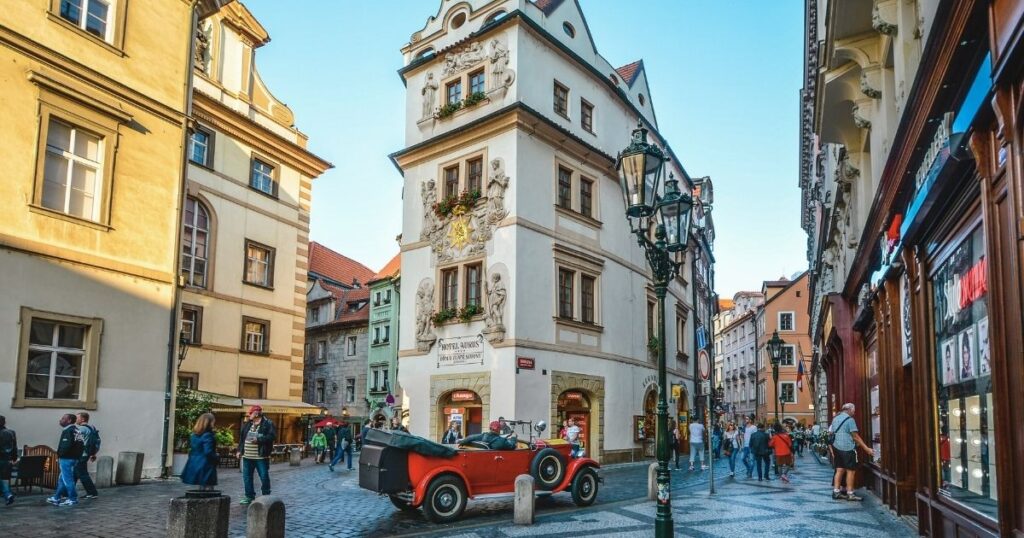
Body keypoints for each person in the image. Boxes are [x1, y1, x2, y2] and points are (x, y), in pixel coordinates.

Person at [830, 402, 874, 501]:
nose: (854, 412)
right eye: (853, 410)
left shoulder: (835, 419)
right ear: (849, 410)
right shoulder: (850, 420)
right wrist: (867, 449)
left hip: (836, 447)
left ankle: (836, 492)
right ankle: (850, 494)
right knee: (851, 471)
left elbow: (832, 432)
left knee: (839, 469)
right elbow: (855, 436)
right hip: (848, 448)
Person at [236, 405, 275, 505]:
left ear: (256, 413)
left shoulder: (267, 423)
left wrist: (259, 440)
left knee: (264, 476)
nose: (249, 415)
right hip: (247, 456)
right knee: (247, 477)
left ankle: (266, 495)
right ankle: (249, 496)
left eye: (251, 413)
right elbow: (242, 438)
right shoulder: (248, 424)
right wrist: (239, 450)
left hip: (261, 456)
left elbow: (271, 436)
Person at [48, 413, 84, 506]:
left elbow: (65, 446)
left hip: (67, 458)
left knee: (67, 479)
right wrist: (78, 457)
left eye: (63, 418)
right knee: (62, 479)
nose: (61, 420)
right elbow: (81, 445)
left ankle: (72, 498)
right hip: (74, 458)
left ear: (69, 421)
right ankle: (56, 497)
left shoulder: (68, 431)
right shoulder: (77, 430)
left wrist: (59, 455)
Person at [182, 413, 219, 491]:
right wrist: (216, 457)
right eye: (213, 421)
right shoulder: (208, 435)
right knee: (208, 490)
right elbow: (208, 452)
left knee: (201, 489)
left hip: (194, 462)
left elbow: (192, 449)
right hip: (206, 464)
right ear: (209, 422)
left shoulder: (194, 435)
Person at [74, 412, 100, 500]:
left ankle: (92, 493)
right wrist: (93, 453)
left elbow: (75, 442)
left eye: (77, 418)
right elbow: (96, 442)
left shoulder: (81, 429)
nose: (75, 419)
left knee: (83, 474)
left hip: (81, 455)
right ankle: (67, 492)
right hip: (86, 454)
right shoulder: (92, 428)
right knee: (75, 473)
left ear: (83, 419)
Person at [0, 416, 16, 506]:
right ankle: (7, 494)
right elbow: (14, 447)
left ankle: (7, 494)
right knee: (4, 478)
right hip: (7, 459)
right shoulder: (11, 433)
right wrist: (14, 458)